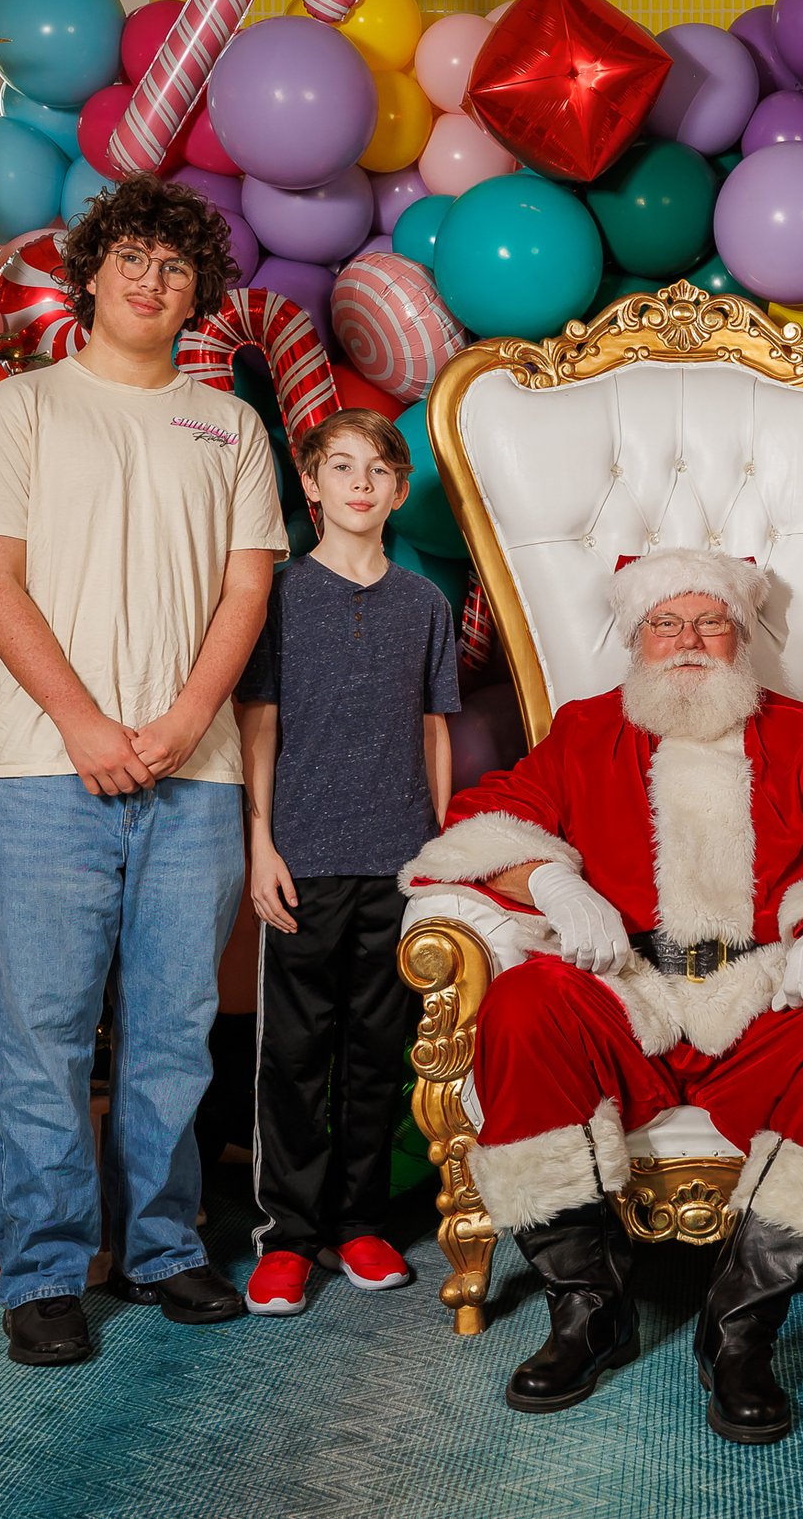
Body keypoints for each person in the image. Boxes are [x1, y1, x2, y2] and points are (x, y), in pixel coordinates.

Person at [399, 549, 803, 1446]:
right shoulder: (586, 731)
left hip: (761, 1001)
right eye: (666, 623)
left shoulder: (801, 736)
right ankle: (586, 1309)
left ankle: (739, 1329)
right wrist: (552, 884)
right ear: (637, 639)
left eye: (710, 622)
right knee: (524, 1003)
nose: (688, 641)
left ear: (739, 637)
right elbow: (484, 816)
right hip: (631, 996)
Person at [0, 174, 288, 1366]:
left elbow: (248, 588)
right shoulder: (23, 408)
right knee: (41, 1028)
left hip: (191, 779)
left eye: (178, 268)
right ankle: (43, 1272)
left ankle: (161, 1247)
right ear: (90, 274)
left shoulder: (231, 424)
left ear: (201, 293)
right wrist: (90, 724)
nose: (153, 283)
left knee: (174, 1028)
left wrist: (186, 717)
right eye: (133, 261)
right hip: (48, 770)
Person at [238, 408, 459, 1316]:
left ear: (400, 491)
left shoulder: (425, 606)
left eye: (378, 469)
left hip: (399, 863)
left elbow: (434, 731)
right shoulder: (279, 599)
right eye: (341, 467)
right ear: (312, 484)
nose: (360, 483)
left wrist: (441, 852)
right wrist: (260, 844)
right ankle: (287, 1237)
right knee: (294, 1054)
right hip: (303, 859)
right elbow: (258, 728)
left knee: (378, 1053)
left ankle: (359, 1225)